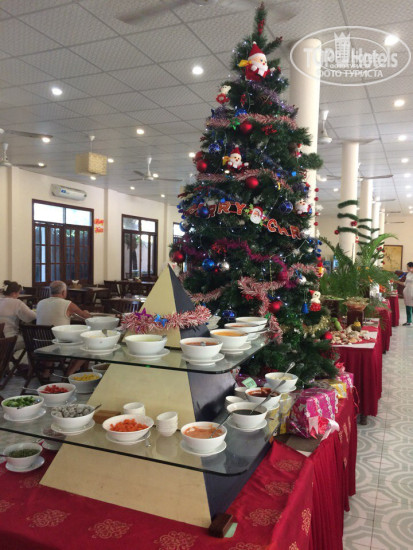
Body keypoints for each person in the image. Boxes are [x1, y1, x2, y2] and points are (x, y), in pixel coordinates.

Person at [36, 280, 91, 377]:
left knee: (53, 336)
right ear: (63, 292)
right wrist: (86, 312)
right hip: (59, 345)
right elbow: (85, 317)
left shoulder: (40, 303)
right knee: (88, 346)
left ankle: (46, 372)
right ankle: (69, 373)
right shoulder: (67, 304)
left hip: (40, 343)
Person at [0, 281, 36, 350]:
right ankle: (31, 357)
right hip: (9, 339)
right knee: (31, 339)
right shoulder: (16, 303)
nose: (18, 295)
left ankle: (9, 355)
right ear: (14, 293)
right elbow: (31, 317)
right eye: (19, 293)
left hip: (2, 339)